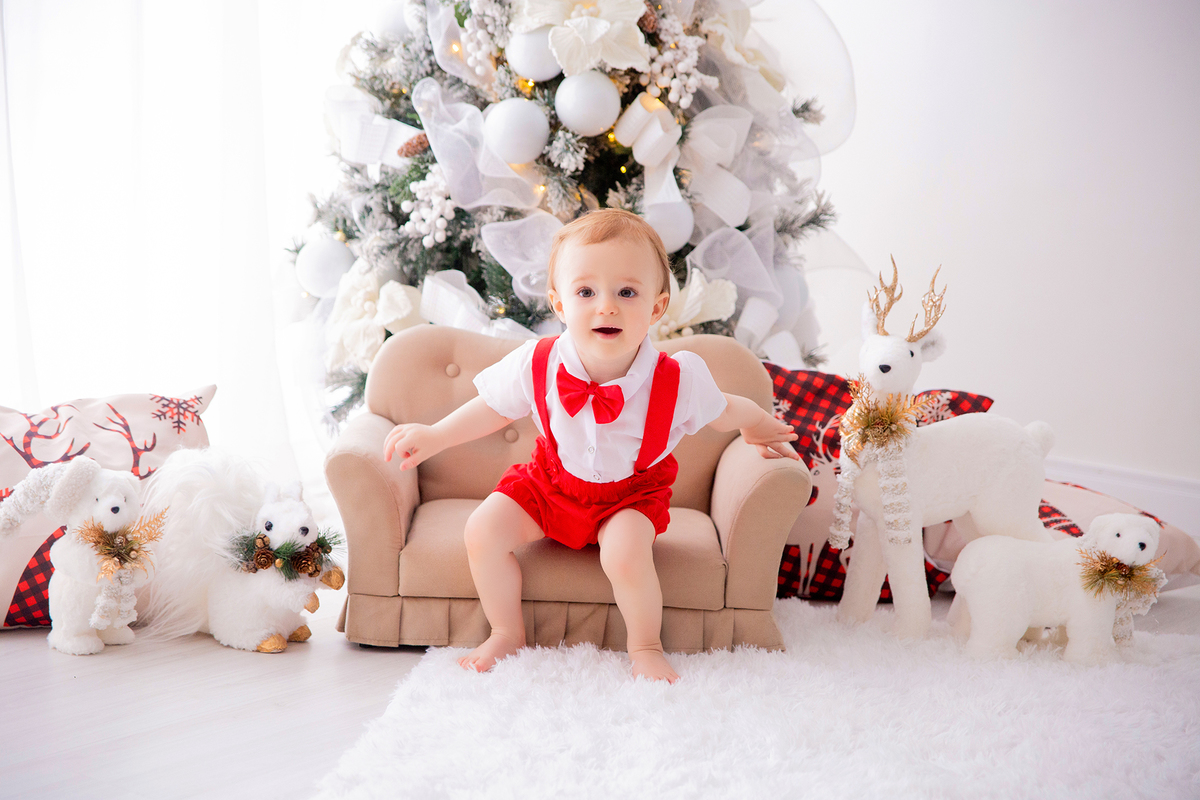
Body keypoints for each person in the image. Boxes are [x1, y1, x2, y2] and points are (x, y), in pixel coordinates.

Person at [383, 208, 798, 683]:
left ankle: (644, 645)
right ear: (559, 304)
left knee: (623, 553)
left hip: (630, 495)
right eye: (586, 292)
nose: (607, 306)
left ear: (657, 307)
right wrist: (434, 435)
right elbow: (492, 407)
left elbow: (726, 408)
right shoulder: (537, 362)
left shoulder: (676, 378)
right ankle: (505, 631)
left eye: (627, 292)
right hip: (551, 482)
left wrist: (759, 426)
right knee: (482, 530)